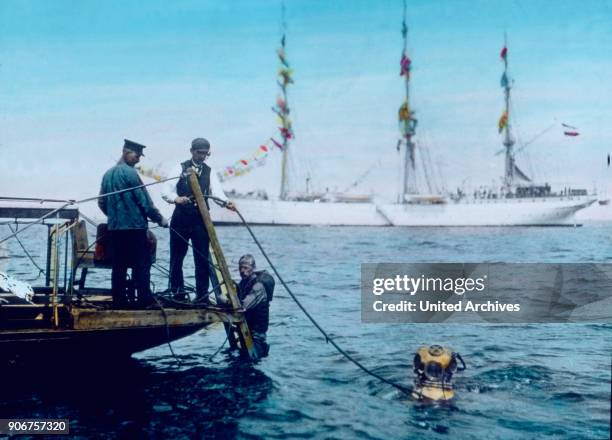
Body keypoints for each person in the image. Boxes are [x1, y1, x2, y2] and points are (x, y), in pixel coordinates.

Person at [161, 138, 234, 303]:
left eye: (205, 154)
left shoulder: (210, 171)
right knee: (177, 258)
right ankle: (177, 294)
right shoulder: (179, 168)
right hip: (181, 219)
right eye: (199, 153)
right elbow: (165, 191)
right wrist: (176, 199)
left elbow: (217, 194)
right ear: (192, 151)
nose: (202, 157)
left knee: (202, 258)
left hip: (201, 220)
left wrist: (226, 202)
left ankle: (202, 296)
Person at [98, 139, 168, 308]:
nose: (138, 160)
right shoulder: (130, 173)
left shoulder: (107, 174)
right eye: (137, 155)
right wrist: (160, 219)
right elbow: (145, 202)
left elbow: (101, 202)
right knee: (142, 264)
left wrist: (114, 216)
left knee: (119, 267)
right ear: (126, 152)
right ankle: (145, 300)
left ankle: (119, 302)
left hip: (115, 229)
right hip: (134, 229)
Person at [236, 254, 270, 359]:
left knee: (251, 363)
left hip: (256, 337)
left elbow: (243, 306)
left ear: (253, 268)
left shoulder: (258, 287)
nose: (242, 271)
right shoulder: (243, 284)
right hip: (246, 332)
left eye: (245, 267)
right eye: (240, 268)